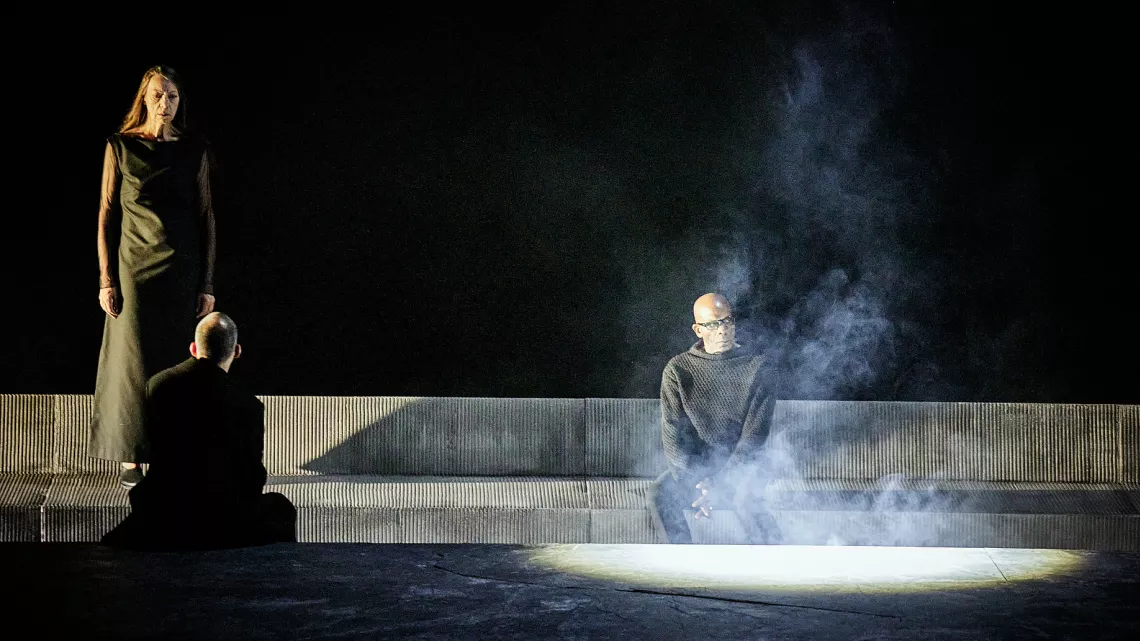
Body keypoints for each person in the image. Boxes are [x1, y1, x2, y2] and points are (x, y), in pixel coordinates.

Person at [90, 65, 217, 488]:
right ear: (144, 99)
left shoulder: (194, 149)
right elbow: (106, 214)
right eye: (158, 95)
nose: (165, 103)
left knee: (178, 360)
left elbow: (206, 215)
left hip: (180, 268)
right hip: (133, 268)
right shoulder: (122, 146)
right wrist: (106, 280)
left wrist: (206, 284)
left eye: (173, 96)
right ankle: (131, 456)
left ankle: (172, 451)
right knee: (132, 362)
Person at [101, 312, 296, 550]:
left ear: (193, 348)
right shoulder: (248, 404)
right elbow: (252, 475)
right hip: (220, 518)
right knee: (280, 509)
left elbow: (148, 449)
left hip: (167, 513)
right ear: (237, 351)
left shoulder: (159, 385)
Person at [649, 293, 782, 544]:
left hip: (742, 465)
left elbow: (754, 436)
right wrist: (697, 482)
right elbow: (672, 432)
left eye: (727, 321)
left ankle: (777, 559)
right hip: (696, 469)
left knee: (745, 497)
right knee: (660, 494)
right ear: (698, 330)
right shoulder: (678, 370)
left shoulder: (759, 367)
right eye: (712, 324)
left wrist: (721, 483)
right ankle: (681, 562)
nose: (722, 330)